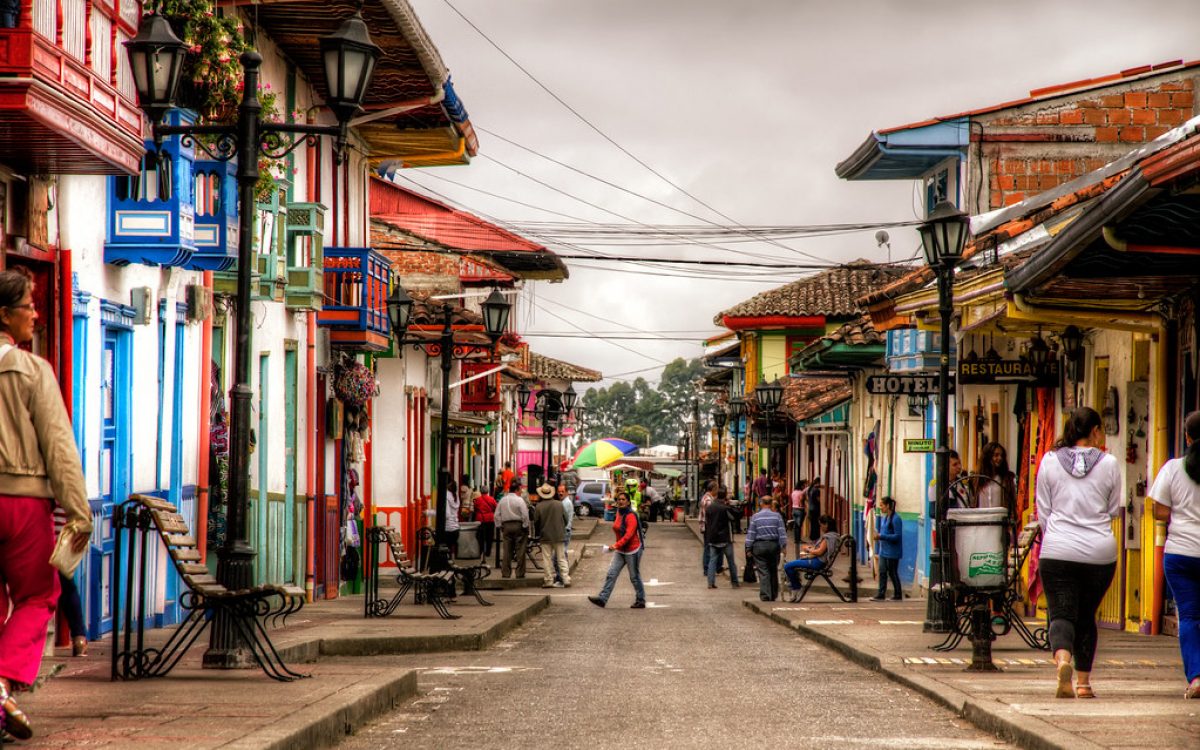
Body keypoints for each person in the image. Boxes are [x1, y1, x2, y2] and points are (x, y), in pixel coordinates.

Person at [0, 268, 92, 740]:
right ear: (4, 316)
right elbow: (59, 446)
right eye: (28, 307)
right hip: (22, 504)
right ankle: (2, 681)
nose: (35, 314)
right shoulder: (33, 371)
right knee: (39, 596)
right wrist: (78, 511)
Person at [1036, 406, 1121, 700]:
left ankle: (1062, 661)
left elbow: (1043, 511)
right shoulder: (1109, 463)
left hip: (1057, 550)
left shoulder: (1048, 461)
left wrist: (1059, 534)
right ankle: (1084, 684)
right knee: (1086, 615)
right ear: (1095, 431)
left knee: (1061, 613)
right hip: (1099, 553)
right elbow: (1113, 509)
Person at [1149, 410, 1200, 700]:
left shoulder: (1172, 468)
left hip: (1180, 553)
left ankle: (1196, 677)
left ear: (1187, 437)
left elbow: (1160, 509)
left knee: (1190, 616)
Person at [589, 493, 646, 608]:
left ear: (628, 502)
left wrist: (615, 546)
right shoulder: (619, 513)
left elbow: (628, 535)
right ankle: (602, 599)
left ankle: (641, 600)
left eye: (623, 499)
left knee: (634, 577)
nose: (621, 501)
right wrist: (617, 546)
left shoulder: (631, 516)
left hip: (632, 550)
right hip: (621, 550)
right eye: (619, 499)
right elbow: (618, 531)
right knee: (611, 574)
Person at [783, 515, 839, 601]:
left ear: (826, 524)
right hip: (817, 561)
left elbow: (820, 551)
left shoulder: (828, 537)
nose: (820, 528)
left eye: (821, 525)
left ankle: (796, 587)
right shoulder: (833, 536)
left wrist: (808, 550)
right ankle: (796, 586)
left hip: (817, 562)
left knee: (788, 566)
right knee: (793, 564)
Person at [745, 495, 787, 602]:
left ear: (761, 503)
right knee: (773, 569)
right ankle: (773, 594)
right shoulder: (777, 516)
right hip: (773, 546)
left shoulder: (755, 517)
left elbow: (751, 534)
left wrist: (748, 548)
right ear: (771, 503)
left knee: (763, 571)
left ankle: (765, 595)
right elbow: (782, 532)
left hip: (759, 546)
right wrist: (783, 546)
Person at [533, 484, 570, 588]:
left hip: (545, 536)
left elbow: (536, 522)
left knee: (547, 559)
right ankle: (566, 578)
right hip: (559, 535)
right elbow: (566, 519)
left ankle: (548, 580)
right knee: (561, 558)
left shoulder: (539, 506)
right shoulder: (559, 504)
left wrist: (538, 533)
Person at [704, 489, 739, 589]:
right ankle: (735, 582)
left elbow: (708, 521)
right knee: (731, 561)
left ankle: (710, 583)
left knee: (712, 560)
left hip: (713, 538)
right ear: (724, 496)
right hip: (725, 538)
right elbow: (733, 517)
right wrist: (730, 505)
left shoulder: (710, 507)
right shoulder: (725, 508)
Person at [870, 497, 904, 601]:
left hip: (893, 552)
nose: (880, 508)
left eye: (882, 505)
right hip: (883, 551)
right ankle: (881, 593)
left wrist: (882, 536)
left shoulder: (896, 519)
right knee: (882, 571)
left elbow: (897, 536)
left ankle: (898, 593)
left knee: (892, 572)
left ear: (888, 505)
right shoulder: (885, 518)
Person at [496, 478, 530, 578]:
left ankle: (506, 573)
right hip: (518, 525)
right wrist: (525, 526)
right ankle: (519, 573)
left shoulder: (502, 500)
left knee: (507, 551)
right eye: (520, 490)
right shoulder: (519, 500)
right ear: (516, 490)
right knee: (520, 550)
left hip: (506, 526)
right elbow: (525, 515)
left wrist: (499, 526)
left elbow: (496, 515)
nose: (520, 492)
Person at [976, 442, 1017, 514]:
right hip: (981, 522)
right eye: (996, 455)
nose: (1000, 458)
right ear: (988, 457)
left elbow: (1012, 503)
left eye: (1002, 455)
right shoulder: (978, 479)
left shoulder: (1008, 479)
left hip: (1000, 522)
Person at [474, 484, 498, 560]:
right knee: (489, 536)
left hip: (480, 519)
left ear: (481, 492)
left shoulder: (477, 500)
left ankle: (480, 550)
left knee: (480, 536)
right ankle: (488, 551)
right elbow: (495, 507)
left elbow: (475, 508)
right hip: (490, 519)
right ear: (487, 491)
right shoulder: (491, 499)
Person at [789, 480, 809, 560]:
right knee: (799, 526)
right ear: (801, 486)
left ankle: (796, 539)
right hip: (800, 509)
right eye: (803, 485)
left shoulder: (793, 492)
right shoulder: (801, 493)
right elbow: (802, 497)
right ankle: (797, 539)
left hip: (794, 509)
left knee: (796, 525)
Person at [443, 479, 461, 559]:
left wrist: (428, 512)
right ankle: (450, 561)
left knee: (445, 548)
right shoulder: (456, 496)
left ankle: (447, 563)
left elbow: (447, 514)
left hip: (448, 528)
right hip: (456, 528)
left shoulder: (446, 496)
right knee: (450, 549)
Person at [806, 477, 822, 542]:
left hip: (810, 509)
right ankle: (815, 538)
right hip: (815, 509)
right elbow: (818, 500)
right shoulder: (816, 490)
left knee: (813, 524)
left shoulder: (810, 489)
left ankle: (812, 537)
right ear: (818, 483)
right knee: (816, 524)